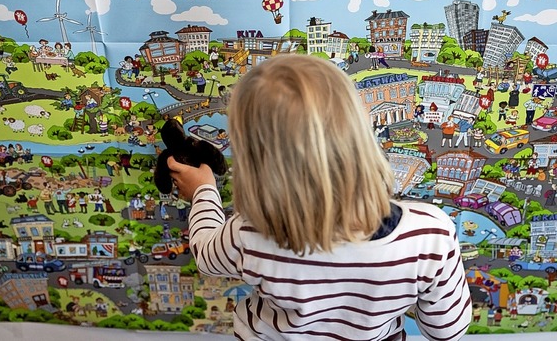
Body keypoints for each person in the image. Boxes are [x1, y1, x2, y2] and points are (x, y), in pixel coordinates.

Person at [167, 54, 471, 341]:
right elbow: (446, 332)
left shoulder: (248, 232)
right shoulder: (430, 235)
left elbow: (206, 257)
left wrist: (203, 190)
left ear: (254, 162)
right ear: (360, 131)